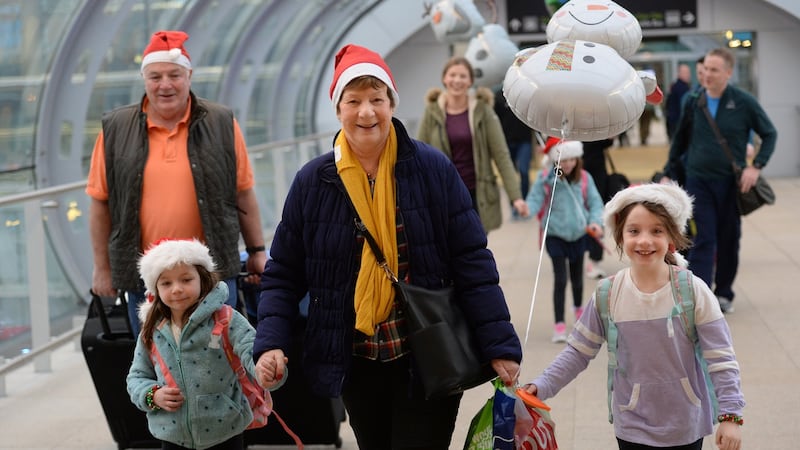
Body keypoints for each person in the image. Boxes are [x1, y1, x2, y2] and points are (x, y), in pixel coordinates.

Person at [252, 44, 523, 450]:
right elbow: (284, 273)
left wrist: (499, 344)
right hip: (355, 358)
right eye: (354, 100)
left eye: (377, 99)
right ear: (338, 107)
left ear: (391, 104)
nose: (367, 112)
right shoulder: (314, 181)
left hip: (427, 355)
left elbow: (472, 261)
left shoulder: (431, 170)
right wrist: (270, 342)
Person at [523, 183, 745, 450]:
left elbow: (721, 357)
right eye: (634, 231)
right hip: (631, 425)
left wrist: (730, 415)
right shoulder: (608, 293)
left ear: (671, 239)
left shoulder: (692, 290)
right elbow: (578, 352)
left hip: (685, 424)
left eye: (657, 231)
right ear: (620, 237)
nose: (644, 240)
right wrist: (541, 385)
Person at [86, 30, 267, 335]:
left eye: (174, 75)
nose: (165, 85)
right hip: (149, 280)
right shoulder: (115, 129)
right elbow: (99, 202)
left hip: (213, 274)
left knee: (221, 363)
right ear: (144, 80)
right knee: (157, 370)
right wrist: (102, 268)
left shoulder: (221, 123)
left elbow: (244, 193)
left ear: (189, 76)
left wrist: (258, 251)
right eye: (155, 77)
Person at [126, 239, 281, 450]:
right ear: (155, 289)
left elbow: (252, 351)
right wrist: (152, 395)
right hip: (172, 434)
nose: (177, 289)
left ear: (203, 279)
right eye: (166, 283)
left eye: (186, 279)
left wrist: (266, 368)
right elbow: (136, 377)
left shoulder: (226, 319)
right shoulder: (152, 330)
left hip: (225, 429)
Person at [660, 47, 777, 313]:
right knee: (704, 238)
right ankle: (701, 297)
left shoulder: (744, 102)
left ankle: (724, 292)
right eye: (706, 69)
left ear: (728, 72)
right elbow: (680, 140)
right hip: (697, 181)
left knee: (729, 238)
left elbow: (769, 134)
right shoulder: (693, 100)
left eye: (714, 70)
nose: (708, 75)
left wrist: (756, 166)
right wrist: (668, 170)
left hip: (730, 184)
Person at [417, 56, 529, 232]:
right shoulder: (432, 112)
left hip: (477, 194)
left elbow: (501, 155)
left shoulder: (483, 110)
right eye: (452, 75)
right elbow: (418, 156)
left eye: (463, 76)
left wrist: (516, 197)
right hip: (443, 194)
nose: (457, 80)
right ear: (444, 78)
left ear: (470, 81)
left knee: (476, 249)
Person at [526, 139, 604, 343]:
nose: (567, 164)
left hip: (579, 235)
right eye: (563, 160)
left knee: (577, 279)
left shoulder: (585, 178)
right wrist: (528, 209)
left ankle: (578, 311)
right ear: (555, 160)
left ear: (577, 159)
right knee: (560, 279)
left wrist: (595, 222)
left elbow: (595, 203)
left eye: (571, 159)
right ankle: (559, 324)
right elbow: (534, 199)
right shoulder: (547, 178)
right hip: (555, 235)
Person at [494, 87, 534, 220]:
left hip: (525, 141)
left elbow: (534, 118)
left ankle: (525, 204)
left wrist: (540, 142)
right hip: (506, 142)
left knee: (523, 171)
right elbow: (495, 121)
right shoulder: (498, 96)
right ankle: (514, 205)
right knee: (509, 175)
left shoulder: (526, 94)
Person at [580, 138, 615, 279]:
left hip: (597, 170)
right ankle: (575, 254)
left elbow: (606, 142)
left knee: (597, 213)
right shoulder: (568, 117)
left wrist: (611, 136)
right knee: (577, 214)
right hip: (574, 170)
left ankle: (594, 259)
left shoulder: (599, 116)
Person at [665, 63, 692, 139]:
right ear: (679, 73)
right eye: (686, 73)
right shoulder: (681, 88)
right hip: (678, 121)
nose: (688, 75)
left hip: (674, 120)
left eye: (688, 72)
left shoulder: (676, 86)